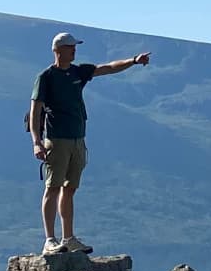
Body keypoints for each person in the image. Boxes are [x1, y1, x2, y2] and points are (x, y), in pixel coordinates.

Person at [29, 31, 149, 254]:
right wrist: (37, 141)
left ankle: (68, 238)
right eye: (70, 47)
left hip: (77, 139)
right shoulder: (46, 77)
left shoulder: (78, 72)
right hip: (56, 140)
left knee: (70, 188)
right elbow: (35, 111)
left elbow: (109, 67)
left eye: (74, 46)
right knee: (53, 187)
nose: (74, 50)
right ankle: (49, 240)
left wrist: (133, 61)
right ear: (58, 50)